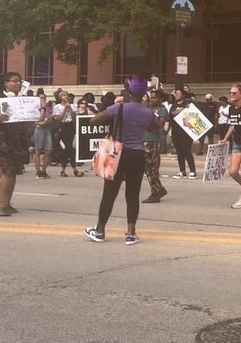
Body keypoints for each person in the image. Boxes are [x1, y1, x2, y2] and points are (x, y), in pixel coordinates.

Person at [81, 80, 163, 245]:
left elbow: (93, 121)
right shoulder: (147, 112)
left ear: (129, 92)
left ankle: (100, 231)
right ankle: (131, 234)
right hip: (138, 154)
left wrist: (113, 109)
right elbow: (153, 128)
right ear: (144, 95)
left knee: (109, 194)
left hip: (118, 154)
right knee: (132, 195)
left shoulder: (119, 107)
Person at [0, 71, 33, 217]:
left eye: (20, 81)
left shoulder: (22, 98)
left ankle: (7, 203)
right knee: (7, 170)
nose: (18, 83)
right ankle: (2, 206)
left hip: (18, 137)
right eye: (15, 81)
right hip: (1, 137)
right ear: (6, 83)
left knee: (14, 170)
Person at [141, 89, 170, 203]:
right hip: (144, 138)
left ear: (160, 99)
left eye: (155, 98)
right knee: (148, 167)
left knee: (148, 166)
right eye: (151, 97)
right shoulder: (147, 107)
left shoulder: (163, 110)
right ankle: (157, 189)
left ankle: (158, 190)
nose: (152, 100)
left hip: (153, 139)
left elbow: (160, 124)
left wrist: (151, 115)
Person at [169, 88, 197, 179]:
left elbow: (192, 115)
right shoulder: (173, 105)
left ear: (183, 95)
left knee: (186, 150)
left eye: (178, 93)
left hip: (185, 131)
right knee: (179, 152)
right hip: (175, 130)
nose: (176, 95)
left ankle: (192, 171)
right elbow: (171, 115)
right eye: (176, 93)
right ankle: (182, 171)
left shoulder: (187, 104)